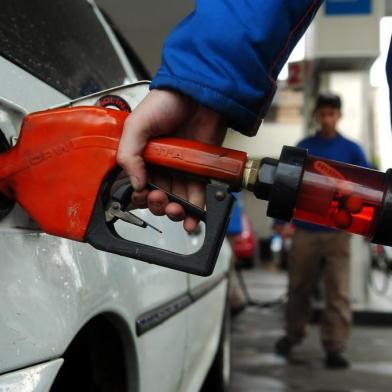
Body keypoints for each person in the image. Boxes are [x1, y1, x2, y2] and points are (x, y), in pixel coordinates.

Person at [274, 92, 369, 369]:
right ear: (317, 115)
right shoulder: (305, 147)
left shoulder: (352, 150)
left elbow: (368, 188)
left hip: (338, 232)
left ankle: (335, 347)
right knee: (298, 286)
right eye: (323, 113)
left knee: (338, 290)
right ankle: (292, 335)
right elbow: (289, 183)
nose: (327, 118)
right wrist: (281, 223)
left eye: (332, 113)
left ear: (339, 116)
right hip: (305, 230)